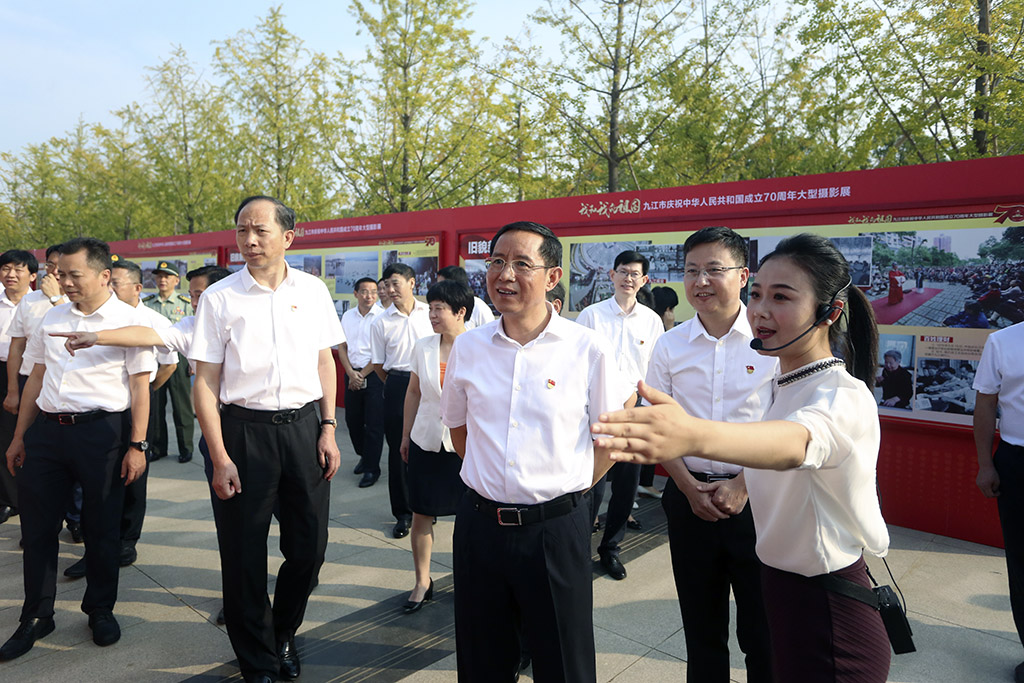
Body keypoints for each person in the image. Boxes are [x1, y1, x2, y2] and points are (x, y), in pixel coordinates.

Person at [593, 233, 892, 682]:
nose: (762, 311)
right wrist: (690, 479)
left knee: (761, 648)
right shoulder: (792, 383)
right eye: (759, 297)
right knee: (706, 630)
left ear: (829, 311)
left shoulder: (839, 396)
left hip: (827, 610)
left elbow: (794, 443)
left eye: (782, 297)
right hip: (785, 587)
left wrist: (694, 436)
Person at [441, 221, 625, 682]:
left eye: (522, 264)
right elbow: (460, 433)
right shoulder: (469, 348)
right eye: (497, 262)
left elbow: (610, 440)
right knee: (482, 660)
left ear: (552, 276)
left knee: (564, 661)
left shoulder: (587, 348)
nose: (505, 274)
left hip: (555, 528)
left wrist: (567, 485)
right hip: (480, 527)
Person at [190, 196, 344, 683]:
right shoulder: (220, 297)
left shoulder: (313, 290)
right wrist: (218, 455)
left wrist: (328, 427)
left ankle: (282, 631)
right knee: (242, 554)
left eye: (260, 230)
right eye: (241, 231)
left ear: (288, 237)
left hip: (303, 430)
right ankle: (257, 660)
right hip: (242, 432)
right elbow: (205, 381)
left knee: (309, 549)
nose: (249, 241)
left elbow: (325, 362)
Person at [1, 237, 155, 661]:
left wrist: (137, 445)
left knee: (102, 528)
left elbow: (141, 388)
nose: (63, 282)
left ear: (104, 275)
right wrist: (19, 437)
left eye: (73, 275)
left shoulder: (128, 322)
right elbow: (35, 377)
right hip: (47, 433)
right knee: (37, 528)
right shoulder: (50, 317)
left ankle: (100, 609)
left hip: (102, 434)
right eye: (59, 274)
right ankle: (36, 614)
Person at [643, 226, 775, 682]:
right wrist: (687, 486)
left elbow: (786, 422)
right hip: (689, 498)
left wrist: (743, 485)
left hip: (760, 501)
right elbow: (658, 421)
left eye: (714, 270)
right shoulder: (669, 344)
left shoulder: (773, 342)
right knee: (702, 628)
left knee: (764, 632)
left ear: (743, 276)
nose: (700, 281)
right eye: (691, 271)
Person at [61, 258, 178, 578]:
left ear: (137, 288)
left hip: (138, 400)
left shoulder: (152, 321)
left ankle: (127, 538)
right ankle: (94, 544)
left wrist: (148, 390)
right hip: (98, 410)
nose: (109, 288)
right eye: (108, 281)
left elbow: (169, 365)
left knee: (133, 474)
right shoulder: (87, 316)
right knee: (94, 482)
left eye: (116, 283)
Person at [576, 249, 663, 581]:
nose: (628, 278)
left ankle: (611, 549)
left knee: (626, 485)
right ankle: (580, 548)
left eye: (634, 273)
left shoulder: (651, 321)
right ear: (611, 275)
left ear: (644, 280)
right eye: (623, 272)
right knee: (593, 482)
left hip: (635, 413)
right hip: (599, 409)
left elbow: (654, 369)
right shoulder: (592, 316)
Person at [398, 279, 472, 613]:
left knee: (470, 518)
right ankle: (422, 581)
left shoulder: (478, 346)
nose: (433, 314)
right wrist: (405, 436)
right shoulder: (423, 346)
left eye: (440, 308)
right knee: (421, 512)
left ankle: (471, 579)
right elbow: (413, 392)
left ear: (461, 312)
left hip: (467, 446)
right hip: (426, 440)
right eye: (431, 308)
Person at [3, 246, 75, 539]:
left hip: (66, 388)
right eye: (51, 265)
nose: (54, 272)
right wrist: (12, 390)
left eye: (61, 267)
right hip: (30, 383)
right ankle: (38, 522)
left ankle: (76, 518)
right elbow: (16, 348)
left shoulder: (75, 300)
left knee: (70, 456)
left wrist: (57, 298)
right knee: (31, 454)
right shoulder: (30, 301)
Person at [973, 320, 1024, 683]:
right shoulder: (1003, 341)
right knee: (1022, 564)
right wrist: (986, 463)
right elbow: (986, 404)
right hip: (1017, 463)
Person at [370, 262, 432, 539]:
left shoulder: (430, 313)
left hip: (431, 384)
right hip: (397, 383)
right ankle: (403, 514)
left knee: (431, 446)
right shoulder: (380, 321)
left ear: (412, 283)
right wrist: (399, 386)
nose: (390, 289)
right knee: (400, 450)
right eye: (387, 285)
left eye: (396, 283)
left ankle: (428, 507)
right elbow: (379, 365)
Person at [0, 250, 38, 524]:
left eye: (18, 269)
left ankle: (34, 497)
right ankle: (8, 500)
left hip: (30, 374)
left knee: (30, 436)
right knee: (3, 436)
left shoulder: (41, 303)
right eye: (5, 268)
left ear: (33, 275)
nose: (10, 274)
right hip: (1, 370)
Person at [144, 260, 195, 463]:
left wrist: (193, 360)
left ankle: (186, 447)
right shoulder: (147, 303)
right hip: (155, 358)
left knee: (181, 405)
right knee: (155, 404)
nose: (162, 280)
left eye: (167, 276)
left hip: (180, 358)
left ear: (176, 280)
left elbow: (194, 332)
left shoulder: (184, 303)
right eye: (159, 276)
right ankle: (158, 448)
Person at [337, 277, 385, 487]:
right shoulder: (348, 316)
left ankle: (372, 469)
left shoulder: (382, 317)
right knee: (353, 421)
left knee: (374, 424)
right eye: (364, 292)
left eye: (374, 292)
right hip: (352, 372)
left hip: (374, 375)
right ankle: (364, 456)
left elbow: (380, 353)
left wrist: (362, 374)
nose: (369, 296)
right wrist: (350, 372)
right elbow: (342, 346)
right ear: (355, 293)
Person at [437, 265, 495, 329]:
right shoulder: (440, 305)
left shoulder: (478, 306)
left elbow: (490, 332)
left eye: (442, 285)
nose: (438, 288)